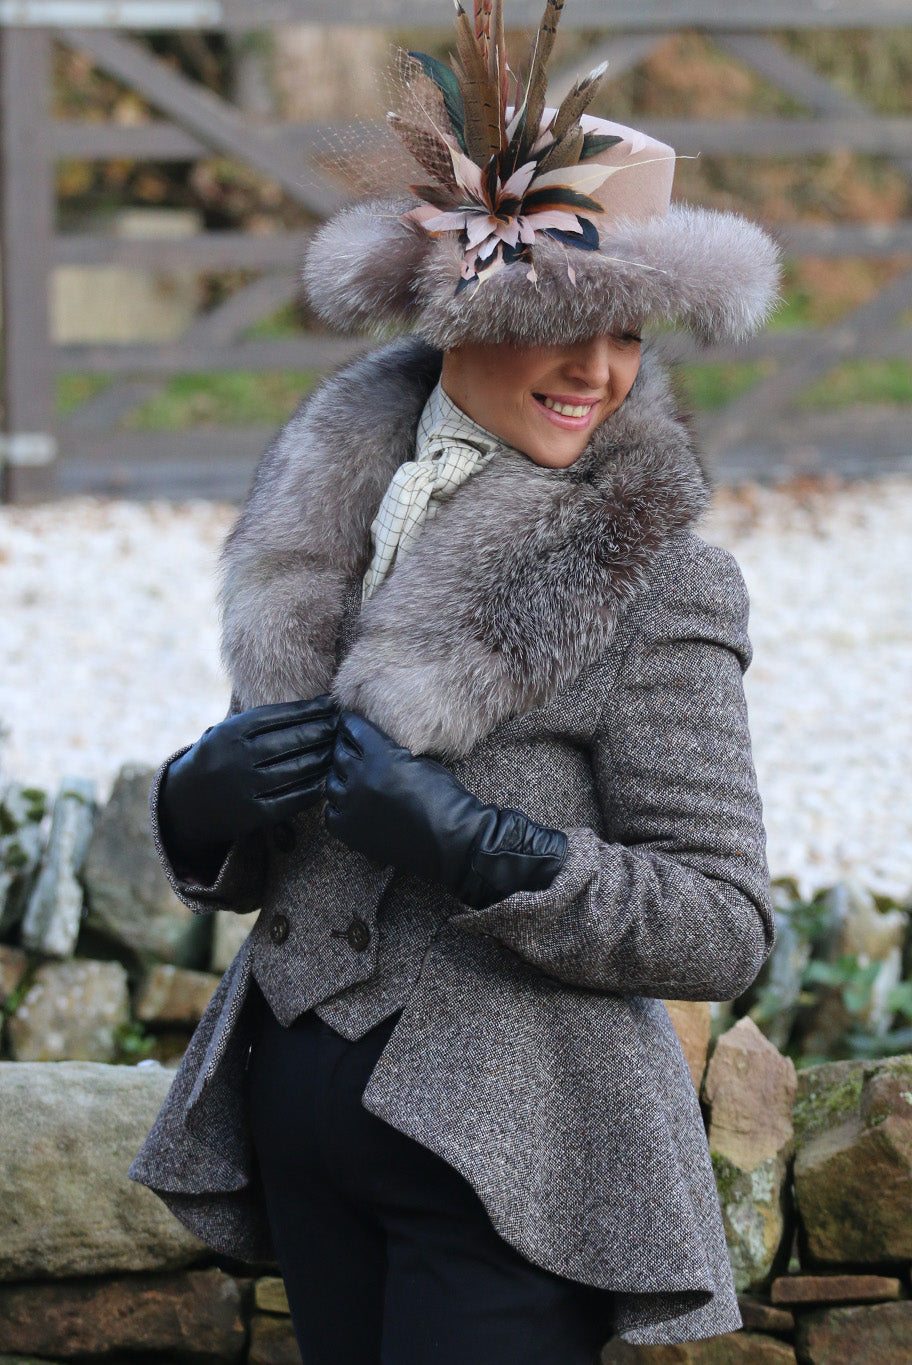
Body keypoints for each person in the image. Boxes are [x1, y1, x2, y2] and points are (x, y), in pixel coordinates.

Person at [130, 4, 781, 1361]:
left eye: (632, 335)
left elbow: (723, 927)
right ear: (458, 307)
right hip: (301, 1114)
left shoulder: (661, 576)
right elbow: (288, 831)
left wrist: (483, 846)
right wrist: (199, 803)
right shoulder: (328, 494)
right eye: (565, 324)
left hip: (513, 1159)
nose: (600, 371)